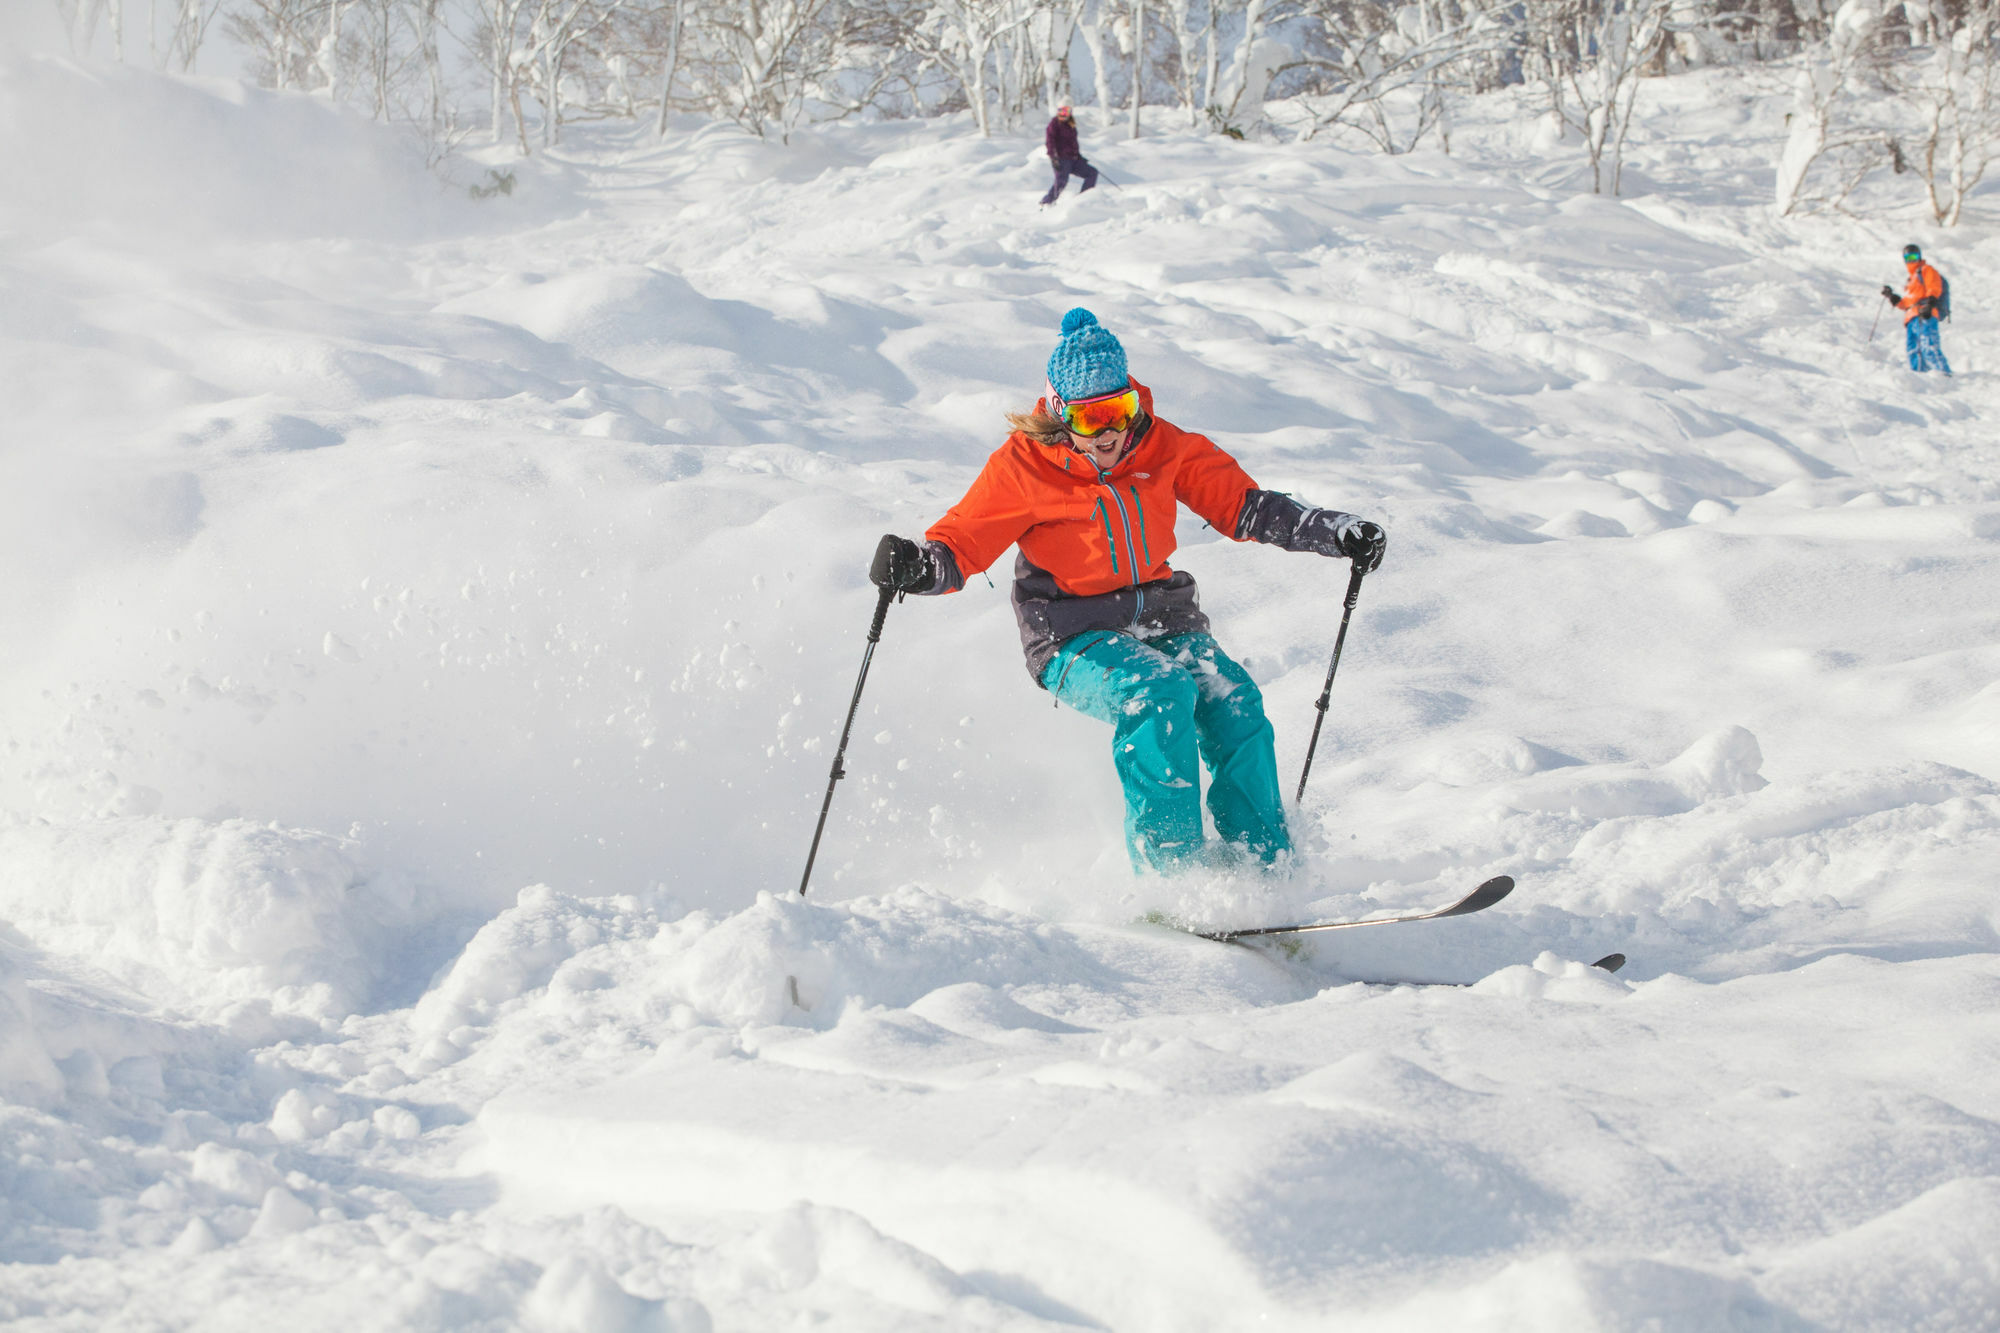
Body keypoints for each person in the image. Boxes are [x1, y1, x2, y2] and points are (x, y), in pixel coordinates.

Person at [869, 308, 1386, 874]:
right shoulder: (1024, 467)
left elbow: (1245, 506)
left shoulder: (1163, 447)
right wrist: (919, 566)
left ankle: (1265, 869)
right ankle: (1175, 880)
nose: (1111, 431)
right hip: (1068, 634)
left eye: (1120, 410)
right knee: (1158, 694)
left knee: (1234, 703)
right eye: (1092, 419)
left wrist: (1330, 531)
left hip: (1163, 617)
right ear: (1060, 415)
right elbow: (961, 544)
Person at [1881, 242, 1951, 375]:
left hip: (1925, 314)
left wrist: (1929, 303)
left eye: (1914, 257)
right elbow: (1907, 303)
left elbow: (1934, 286)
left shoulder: (1926, 270)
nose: (1911, 261)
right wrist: (1893, 298)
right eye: (1908, 258)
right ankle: (1920, 377)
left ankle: (1944, 374)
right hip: (1911, 318)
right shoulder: (1911, 280)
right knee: (1913, 351)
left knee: (1928, 346)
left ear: (1919, 256)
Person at [1039, 106, 1098, 207]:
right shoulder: (1054, 124)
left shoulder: (1071, 124)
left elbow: (1073, 143)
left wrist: (1078, 156)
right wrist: (1053, 158)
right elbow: (1050, 142)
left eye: (1065, 113)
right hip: (1061, 159)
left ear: (1069, 113)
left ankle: (1083, 199)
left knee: (1092, 173)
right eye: (1060, 112)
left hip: (1073, 159)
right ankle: (1046, 202)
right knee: (1061, 181)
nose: (1062, 115)